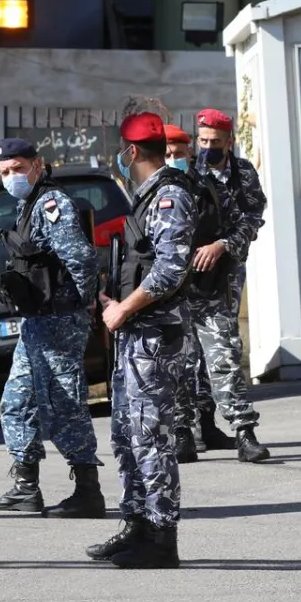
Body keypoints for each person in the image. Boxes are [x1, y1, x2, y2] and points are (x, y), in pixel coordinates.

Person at [85, 113, 196, 568]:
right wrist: (116, 299)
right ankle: (135, 525)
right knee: (127, 435)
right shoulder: (144, 197)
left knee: (152, 436)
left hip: (154, 335)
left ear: (131, 152)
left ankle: (161, 537)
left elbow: (171, 269)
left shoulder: (169, 196)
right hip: (134, 334)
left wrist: (123, 308)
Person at [0, 137, 107, 517]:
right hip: (37, 321)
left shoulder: (52, 204)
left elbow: (81, 258)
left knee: (63, 404)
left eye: (18, 169)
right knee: (17, 401)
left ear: (37, 165)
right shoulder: (28, 205)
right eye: (5, 172)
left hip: (58, 320)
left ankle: (88, 489)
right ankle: (25, 486)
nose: (12, 177)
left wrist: (84, 306)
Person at [192, 108, 270, 462]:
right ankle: (195, 428)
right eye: (203, 141)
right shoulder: (186, 173)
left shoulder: (242, 173)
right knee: (188, 356)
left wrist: (223, 245)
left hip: (223, 275)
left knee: (223, 350)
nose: (208, 147)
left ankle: (243, 430)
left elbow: (254, 218)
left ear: (229, 142)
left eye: (215, 142)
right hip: (183, 278)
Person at [162, 124, 236, 461]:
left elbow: (235, 222)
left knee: (214, 358)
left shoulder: (205, 184)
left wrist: (219, 247)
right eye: (167, 153)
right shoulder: (151, 189)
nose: (173, 159)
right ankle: (183, 433)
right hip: (170, 292)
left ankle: (208, 425)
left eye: (179, 153)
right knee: (179, 363)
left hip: (208, 284)